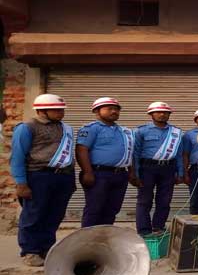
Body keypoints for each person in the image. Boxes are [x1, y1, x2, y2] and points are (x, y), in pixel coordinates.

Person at [10, 94, 75, 266]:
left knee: (54, 215)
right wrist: (21, 183)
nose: (61, 112)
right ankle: (30, 251)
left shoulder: (65, 128)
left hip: (62, 177)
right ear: (42, 110)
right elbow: (17, 157)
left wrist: (71, 180)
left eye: (62, 109)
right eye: (57, 109)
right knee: (33, 215)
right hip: (38, 176)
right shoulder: (27, 127)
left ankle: (47, 249)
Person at [76, 97, 133, 227]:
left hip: (120, 175)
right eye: (109, 109)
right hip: (99, 174)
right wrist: (87, 172)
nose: (114, 111)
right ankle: (87, 241)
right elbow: (81, 150)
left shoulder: (124, 131)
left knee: (112, 210)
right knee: (94, 209)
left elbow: (130, 152)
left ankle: (103, 238)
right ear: (97, 111)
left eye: (116, 109)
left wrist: (131, 173)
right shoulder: (91, 128)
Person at [132, 101, 184, 236]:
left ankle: (158, 227)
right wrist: (135, 173)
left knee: (165, 200)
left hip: (168, 168)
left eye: (166, 112)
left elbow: (179, 154)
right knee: (144, 200)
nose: (162, 114)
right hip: (147, 168)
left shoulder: (176, 132)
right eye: (158, 112)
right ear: (151, 114)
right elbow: (135, 153)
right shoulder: (141, 131)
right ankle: (144, 230)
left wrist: (181, 172)